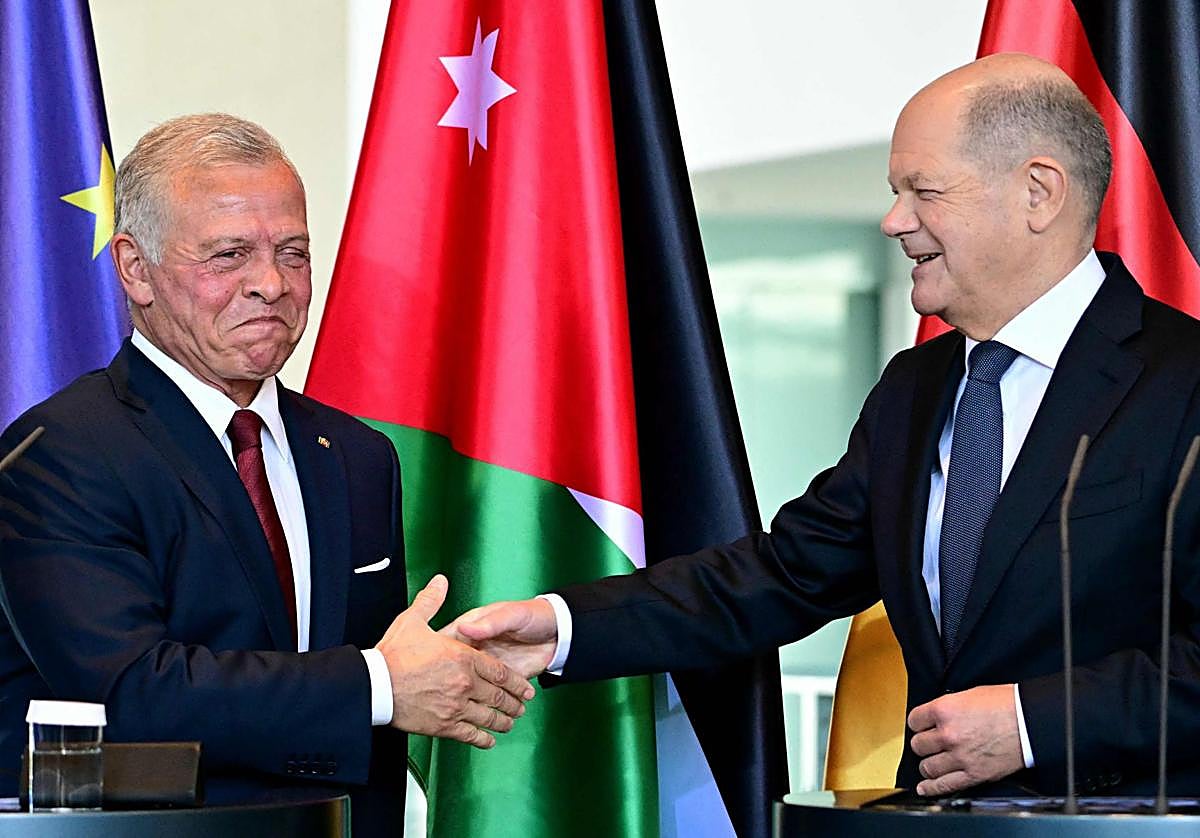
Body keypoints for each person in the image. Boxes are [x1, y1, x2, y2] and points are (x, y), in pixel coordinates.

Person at [443, 52, 1200, 798]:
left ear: (1038, 193)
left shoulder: (1185, 380)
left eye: (922, 190)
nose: (893, 220)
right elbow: (781, 575)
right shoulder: (916, 387)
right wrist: (563, 625)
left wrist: (1034, 721)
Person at [0, 114, 533, 831]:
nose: (271, 284)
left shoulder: (357, 455)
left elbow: (375, 735)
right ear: (135, 268)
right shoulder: (59, 453)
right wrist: (379, 682)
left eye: (294, 252)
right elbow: (132, 692)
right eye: (229, 255)